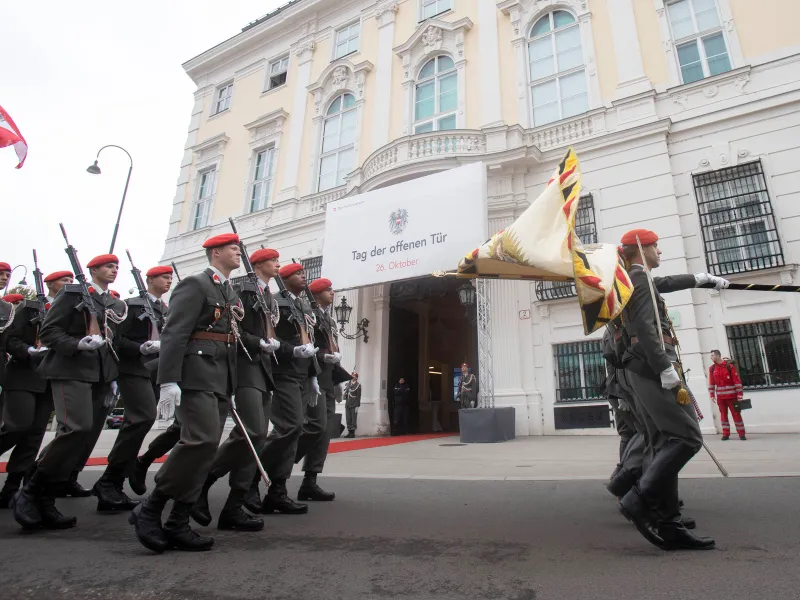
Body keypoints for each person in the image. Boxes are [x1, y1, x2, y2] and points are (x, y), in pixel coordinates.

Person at [129, 233, 243, 553]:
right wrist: (168, 380)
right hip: (195, 373)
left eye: (239, 248)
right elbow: (175, 332)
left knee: (206, 450)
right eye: (232, 248)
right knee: (199, 440)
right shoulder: (195, 284)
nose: (238, 251)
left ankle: (178, 520)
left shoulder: (229, 289)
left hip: (220, 377)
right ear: (215, 252)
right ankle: (151, 508)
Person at [616, 228, 727, 551]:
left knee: (664, 440)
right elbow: (644, 329)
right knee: (687, 437)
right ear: (641, 249)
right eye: (656, 247)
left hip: (646, 367)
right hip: (651, 367)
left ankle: (668, 521)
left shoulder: (638, 278)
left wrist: (699, 279)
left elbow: (663, 284)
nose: (660, 253)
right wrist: (665, 367)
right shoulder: (637, 279)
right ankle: (638, 499)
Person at [12, 254, 127, 530]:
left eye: (116, 267)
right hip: (70, 369)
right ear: (93, 270)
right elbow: (50, 332)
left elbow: (113, 342)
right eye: (108, 266)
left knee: (82, 437)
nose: (114, 270)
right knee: (75, 429)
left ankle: (46, 499)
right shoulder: (73, 293)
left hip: (99, 375)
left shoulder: (112, 302)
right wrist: (77, 344)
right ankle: (30, 491)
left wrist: (113, 378)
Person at [191, 247, 287, 532]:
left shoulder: (269, 295)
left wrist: (270, 345)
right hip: (246, 366)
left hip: (264, 368)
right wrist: (259, 343)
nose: (278, 264)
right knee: (253, 431)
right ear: (257, 264)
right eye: (273, 260)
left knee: (255, 437)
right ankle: (202, 481)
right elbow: (233, 328)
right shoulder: (243, 289)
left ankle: (235, 505)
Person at [92, 265, 173, 511]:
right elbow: (117, 338)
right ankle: (109, 481)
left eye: (170, 277)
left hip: (155, 370)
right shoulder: (130, 305)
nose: (169, 281)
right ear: (149, 279)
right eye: (164, 277)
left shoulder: (164, 309)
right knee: (142, 418)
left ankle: (113, 482)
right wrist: (139, 347)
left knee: (139, 422)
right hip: (133, 368)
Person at [254, 262, 318, 515]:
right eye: (298, 274)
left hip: (301, 372)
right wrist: (292, 351)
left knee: (294, 431)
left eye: (304, 273)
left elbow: (308, 338)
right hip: (283, 370)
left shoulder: (303, 305)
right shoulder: (277, 301)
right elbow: (270, 337)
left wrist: (313, 374)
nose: (304, 277)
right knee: (290, 426)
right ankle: (251, 475)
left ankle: (277, 490)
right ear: (285, 277)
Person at [0, 285, 63, 507]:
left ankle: (12, 487)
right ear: (50, 284)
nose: (68, 284)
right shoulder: (29, 308)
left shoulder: (70, 310)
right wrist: (28, 351)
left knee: (34, 436)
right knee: (18, 426)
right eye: (63, 279)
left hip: (48, 379)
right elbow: (10, 338)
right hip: (22, 375)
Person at [293, 276, 348, 502]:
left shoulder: (331, 320)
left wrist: (337, 371)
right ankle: (278, 463)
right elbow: (308, 345)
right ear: (316, 295)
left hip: (327, 379)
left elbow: (330, 346)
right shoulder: (310, 315)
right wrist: (324, 356)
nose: (332, 293)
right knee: (314, 427)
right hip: (312, 377)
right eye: (328, 290)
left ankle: (310, 481)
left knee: (324, 433)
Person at [708, 350, 746, 441]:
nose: (711, 357)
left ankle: (741, 434)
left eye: (712, 355)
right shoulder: (712, 368)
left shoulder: (729, 366)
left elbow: (737, 381)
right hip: (721, 398)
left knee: (736, 415)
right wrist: (712, 394)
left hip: (732, 397)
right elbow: (711, 382)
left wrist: (739, 395)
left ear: (717, 356)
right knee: (723, 416)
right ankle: (726, 434)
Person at [343, 372, 361, 438]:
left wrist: (357, 405)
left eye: (354, 375)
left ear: (356, 377)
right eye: (352, 375)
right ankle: (349, 432)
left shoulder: (358, 385)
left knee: (353, 418)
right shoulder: (349, 384)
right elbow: (346, 394)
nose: (352, 376)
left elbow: (358, 396)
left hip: (354, 404)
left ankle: (352, 433)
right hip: (348, 403)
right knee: (348, 418)